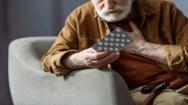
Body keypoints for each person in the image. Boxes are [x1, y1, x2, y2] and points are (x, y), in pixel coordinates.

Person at [41, 0, 188, 104]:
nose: (109, 5)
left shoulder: (164, 9)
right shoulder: (80, 17)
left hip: (182, 82)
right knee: (173, 102)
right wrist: (80, 58)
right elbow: (49, 60)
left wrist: (144, 47)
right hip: (142, 92)